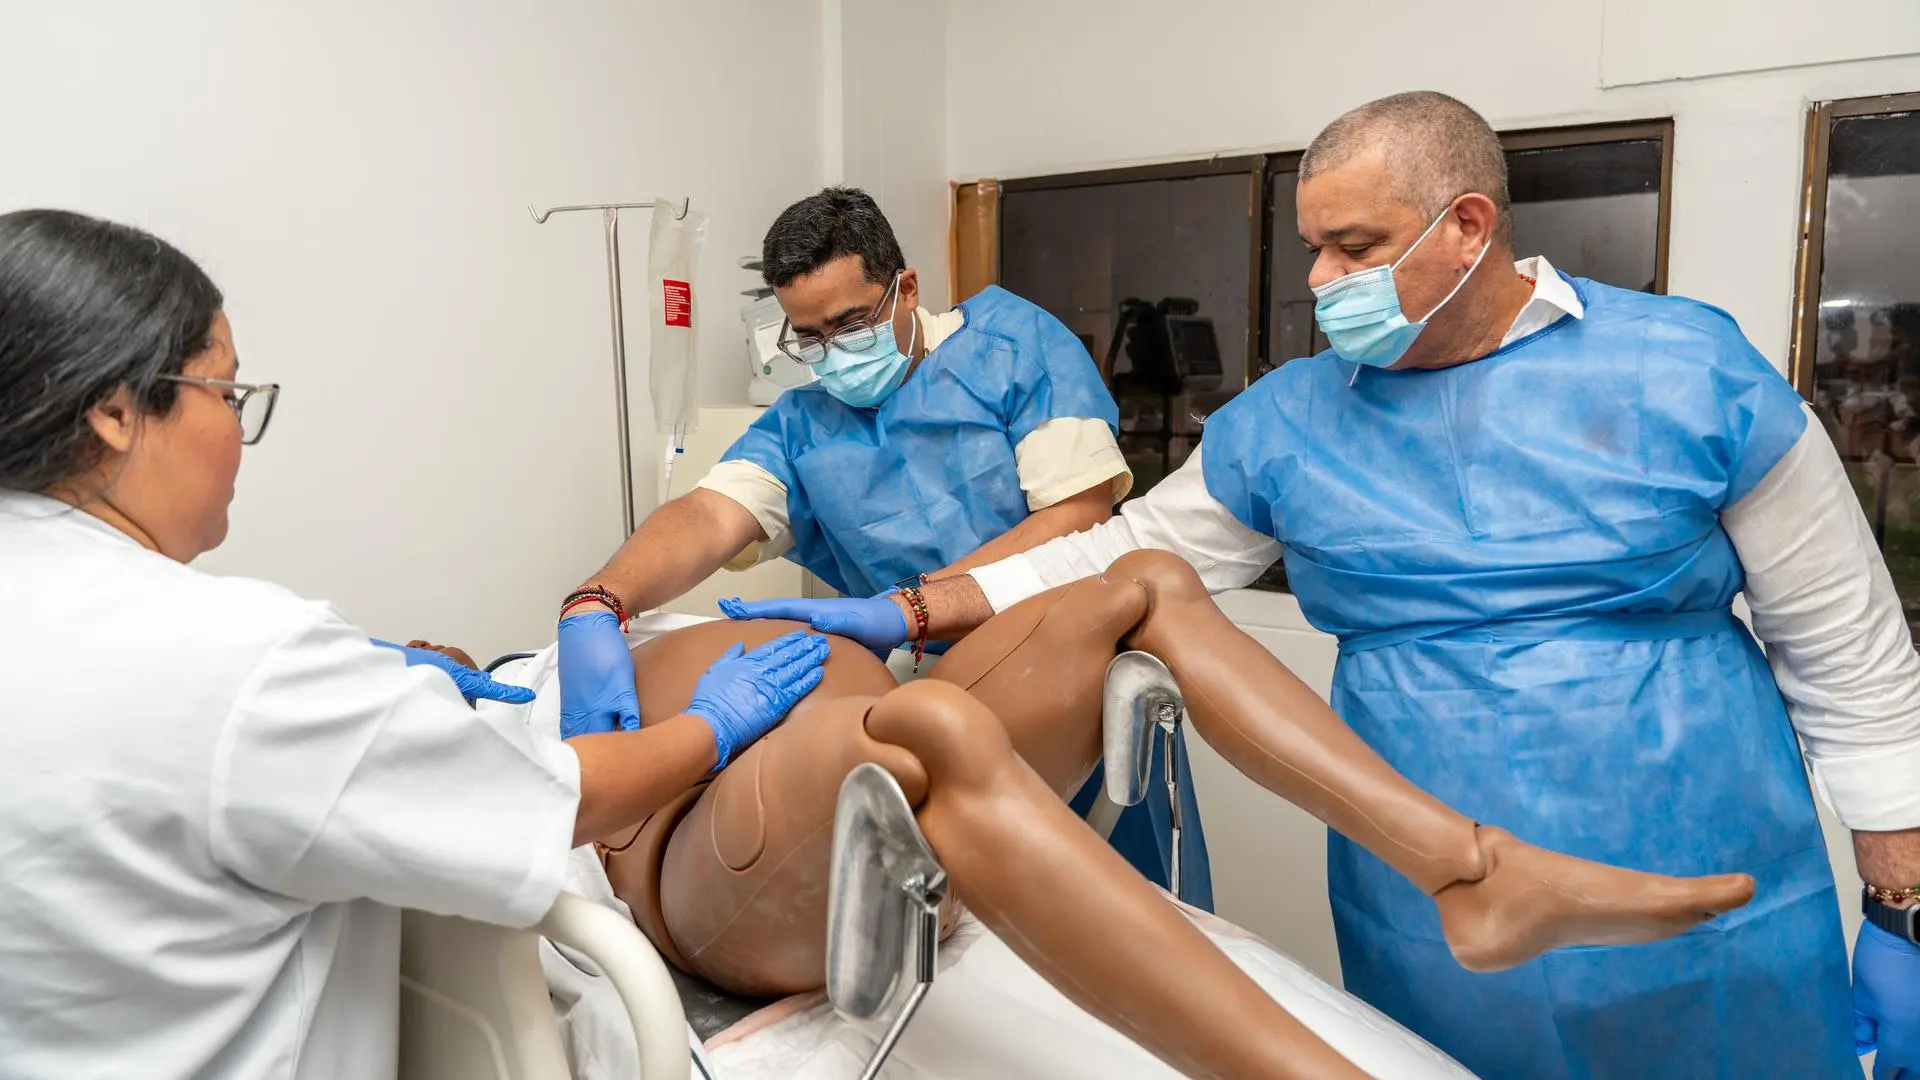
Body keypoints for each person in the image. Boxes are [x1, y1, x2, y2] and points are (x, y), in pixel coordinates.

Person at [724, 92, 1920, 1080]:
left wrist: (1903, 902)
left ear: (1466, 227)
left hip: (1694, 837)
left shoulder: (1686, 368)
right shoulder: (1292, 421)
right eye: (1312, 245)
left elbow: (1843, 636)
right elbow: (1125, 555)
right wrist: (915, 610)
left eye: (1356, 248)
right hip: (1426, 868)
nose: (1319, 276)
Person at [0, 209, 830, 1080]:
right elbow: (570, 801)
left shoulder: (213, 659)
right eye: (228, 394)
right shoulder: (240, 663)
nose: (239, 431)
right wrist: (712, 724)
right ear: (114, 412)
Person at [448, 556, 1752, 1079]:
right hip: (714, 819)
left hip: (865, 703)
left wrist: (606, 594)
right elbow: (581, 819)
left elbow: (665, 539)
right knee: (937, 736)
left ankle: (1467, 870)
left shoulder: (626, 613)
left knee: (1147, 586)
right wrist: (657, 720)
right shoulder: (499, 704)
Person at [557, 185, 1212, 906]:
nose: (832, 352)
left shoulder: (1012, 347)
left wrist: (911, 607)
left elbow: (1078, 516)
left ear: (906, 288)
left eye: (849, 322)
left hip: (1071, 681)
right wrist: (597, 600)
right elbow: (710, 516)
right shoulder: (802, 422)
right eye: (809, 335)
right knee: (975, 929)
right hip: (935, 693)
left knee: (1124, 912)